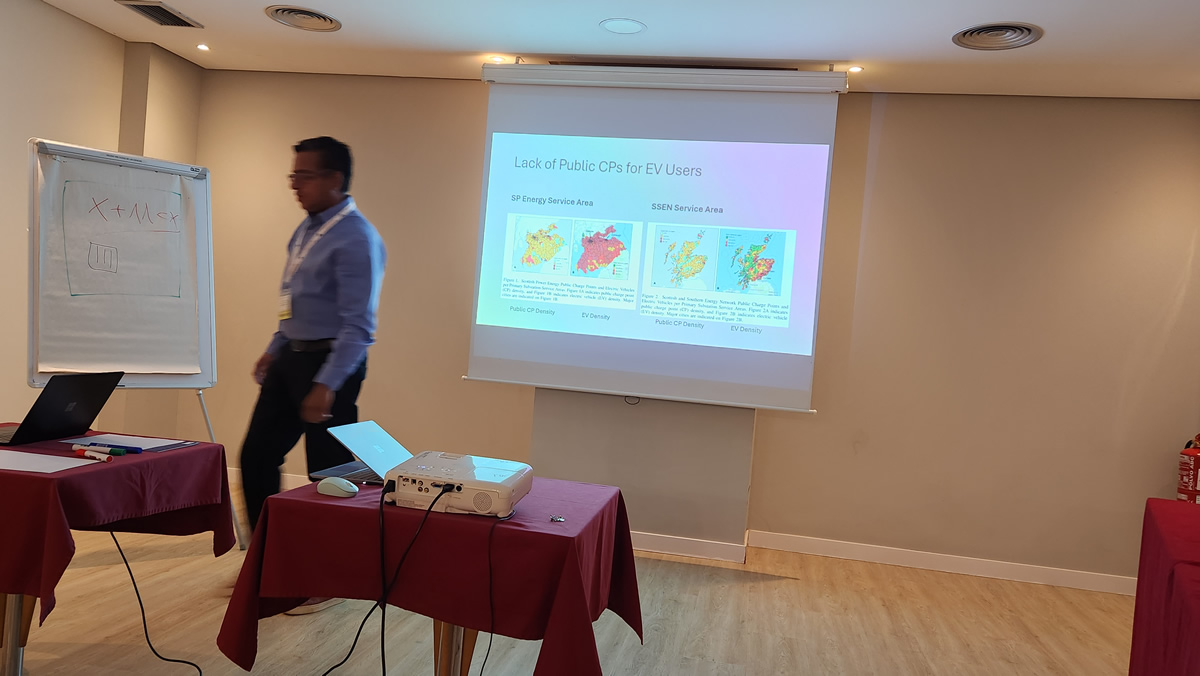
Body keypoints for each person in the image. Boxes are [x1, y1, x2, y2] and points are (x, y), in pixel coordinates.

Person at [239, 135, 386, 540]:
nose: (294, 185)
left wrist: (327, 384)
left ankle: (327, 562)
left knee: (328, 473)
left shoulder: (356, 238)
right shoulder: (306, 229)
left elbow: (359, 326)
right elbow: (294, 300)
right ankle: (267, 552)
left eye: (303, 176)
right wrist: (275, 348)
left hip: (330, 363)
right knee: (257, 455)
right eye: (293, 175)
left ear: (334, 179)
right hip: (291, 357)